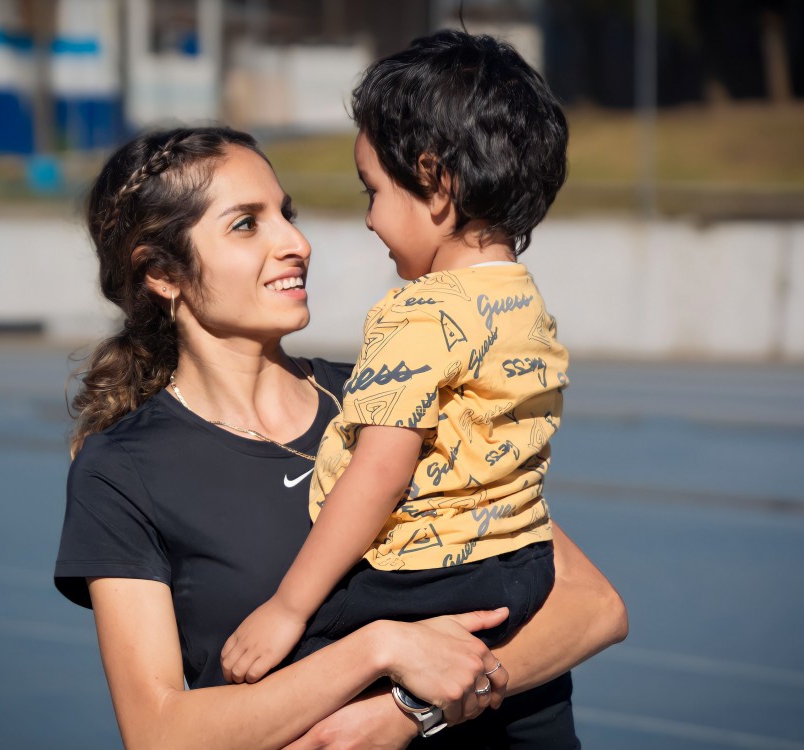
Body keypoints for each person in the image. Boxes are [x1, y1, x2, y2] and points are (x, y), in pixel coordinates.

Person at [54, 124, 627, 749]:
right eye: (247, 224)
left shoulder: (388, 394)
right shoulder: (122, 468)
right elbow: (160, 736)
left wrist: (408, 710)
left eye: (286, 214)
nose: (295, 242)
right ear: (161, 273)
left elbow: (592, 605)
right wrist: (377, 650)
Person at [222, 30, 579, 746]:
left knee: (281, 676)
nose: (369, 218)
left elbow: (381, 470)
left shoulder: (420, 313)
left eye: (374, 191)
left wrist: (290, 608)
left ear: (435, 182)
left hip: (427, 578)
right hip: (523, 574)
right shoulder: (524, 303)